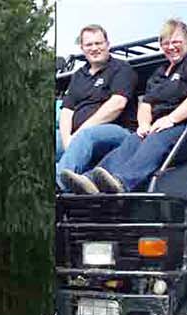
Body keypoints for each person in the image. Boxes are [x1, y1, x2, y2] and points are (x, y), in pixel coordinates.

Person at [73, 19, 187, 195]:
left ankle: (123, 181)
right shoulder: (160, 73)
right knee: (133, 140)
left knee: (158, 138)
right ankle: (89, 181)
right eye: (166, 43)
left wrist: (171, 119)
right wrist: (144, 125)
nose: (171, 47)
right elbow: (146, 104)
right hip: (167, 129)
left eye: (176, 42)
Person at [56, 24, 138, 193]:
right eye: (89, 44)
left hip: (120, 134)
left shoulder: (121, 69)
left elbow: (117, 104)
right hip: (78, 136)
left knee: (86, 135)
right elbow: (67, 110)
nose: (94, 48)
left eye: (98, 43)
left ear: (107, 44)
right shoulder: (79, 75)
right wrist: (67, 139)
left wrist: (79, 133)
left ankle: (57, 186)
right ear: (82, 48)